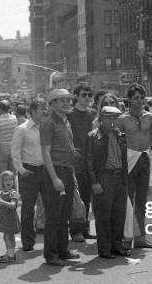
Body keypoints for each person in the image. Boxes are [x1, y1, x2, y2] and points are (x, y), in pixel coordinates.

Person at [40, 89, 80, 266]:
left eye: (68, 100)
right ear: (52, 103)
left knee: (65, 214)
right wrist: (55, 178)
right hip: (56, 171)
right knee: (54, 215)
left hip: (68, 170)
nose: (66, 103)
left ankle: (63, 250)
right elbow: (45, 152)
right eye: (61, 100)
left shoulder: (65, 121)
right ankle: (51, 254)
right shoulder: (48, 123)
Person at [85, 106, 130, 258]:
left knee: (119, 214)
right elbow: (89, 161)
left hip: (120, 177)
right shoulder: (93, 136)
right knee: (103, 215)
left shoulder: (120, 135)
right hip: (104, 177)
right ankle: (104, 248)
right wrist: (94, 182)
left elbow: (124, 160)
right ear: (101, 118)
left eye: (115, 118)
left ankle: (117, 245)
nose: (112, 121)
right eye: (108, 118)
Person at [116, 84, 152, 249]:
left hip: (145, 158)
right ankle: (126, 238)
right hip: (128, 159)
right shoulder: (122, 119)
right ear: (129, 100)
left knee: (142, 200)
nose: (139, 101)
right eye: (135, 98)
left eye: (141, 98)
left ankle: (140, 238)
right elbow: (117, 143)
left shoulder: (151, 117)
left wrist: (145, 154)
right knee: (127, 200)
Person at [11, 98, 48, 252]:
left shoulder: (47, 127)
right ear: (33, 111)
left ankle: (49, 240)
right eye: (42, 108)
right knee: (28, 208)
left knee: (49, 206)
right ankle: (28, 241)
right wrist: (21, 169)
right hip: (29, 172)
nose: (45, 111)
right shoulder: (22, 129)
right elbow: (15, 151)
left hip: (45, 170)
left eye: (46, 108)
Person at [66, 82, 98, 242]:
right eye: (83, 94)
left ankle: (85, 228)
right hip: (75, 159)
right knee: (76, 196)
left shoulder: (93, 114)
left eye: (89, 95)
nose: (87, 98)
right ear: (76, 96)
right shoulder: (69, 114)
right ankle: (75, 230)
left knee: (87, 195)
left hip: (92, 158)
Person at [0, 171, 21, 263]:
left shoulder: (13, 193)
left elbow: (13, 205)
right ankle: (11, 253)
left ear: (14, 181)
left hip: (10, 218)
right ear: (2, 182)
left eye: (11, 179)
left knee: (7, 236)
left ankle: (10, 255)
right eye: (6, 180)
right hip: (4, 218)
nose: (8, 181)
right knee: (10, 236)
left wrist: (2, 202)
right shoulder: (1, 192)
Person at [0, 100, 18, 175]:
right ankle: (13, 186)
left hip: (1, 148)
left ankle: (3, 186)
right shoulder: (15, 119)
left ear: (0, 109)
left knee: (2, 174)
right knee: (13, 173)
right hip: (14, 147)